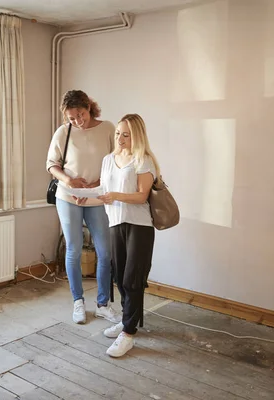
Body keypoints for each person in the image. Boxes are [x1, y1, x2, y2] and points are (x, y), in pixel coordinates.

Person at [46, 90, 121, 325]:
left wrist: (100, 183)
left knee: (105, 252)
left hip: (97, 197)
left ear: (89, 107)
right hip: (69, 197)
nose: (78, 121)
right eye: (72, 118)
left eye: (81, 114)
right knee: (74, 249)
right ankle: (78, 302)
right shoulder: (63, 132)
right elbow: (52, 165)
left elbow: (116, 162)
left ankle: (103, 304)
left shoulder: (108, 128)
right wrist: (69, 182)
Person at [95, 113, 159, 357]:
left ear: (137, 136)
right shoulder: (108, 159)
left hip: (139, 225)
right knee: (121, 277)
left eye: (126, 134)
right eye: (118, 133)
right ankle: (126, 320)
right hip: (115, 222)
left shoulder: (143, 160)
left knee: (133, 278)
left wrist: (116, 196)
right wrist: (84, 195)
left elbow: (142, 195)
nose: (120, 138)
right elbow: (103, 189)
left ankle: (128, 333)